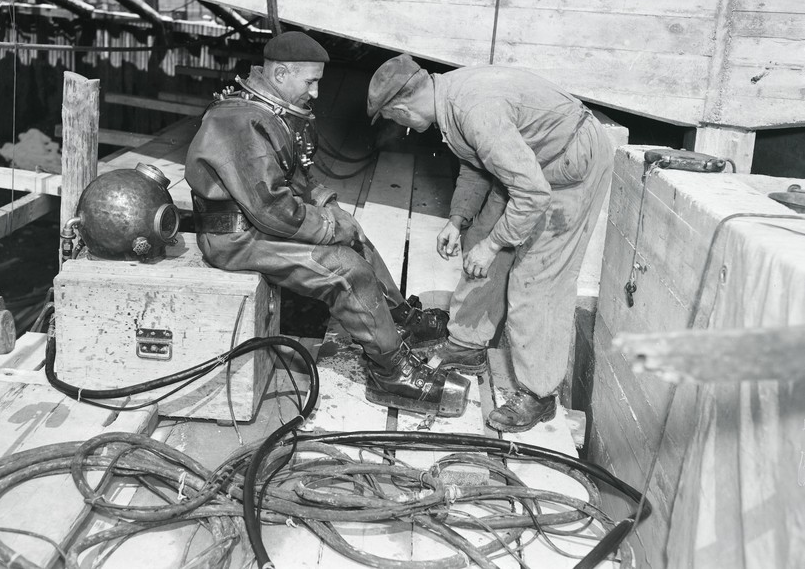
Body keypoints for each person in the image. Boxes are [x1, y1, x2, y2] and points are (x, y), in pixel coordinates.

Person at [184, 32, 469, 416]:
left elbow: (296, 177)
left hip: (258, 225)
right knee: (345, 271)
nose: (317, 93)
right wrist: (330, 229)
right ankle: (391, 373)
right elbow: (271, 208)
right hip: (236, 237)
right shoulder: (240, 122)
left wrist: (329, 207)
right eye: (311, 81)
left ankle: (401, 321)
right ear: (282, 73)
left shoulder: (268, 113)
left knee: (359, 241)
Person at [366, 54, 613, 432]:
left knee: (537, 276)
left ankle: (539, 394)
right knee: (480, 237)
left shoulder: (475, 108)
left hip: (569, 166)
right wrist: (458, 219)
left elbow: (532, 194)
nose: (405, 129)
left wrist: (494, 244)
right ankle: (466, 344)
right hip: (531, 166)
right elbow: (477, 160)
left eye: (396, 121)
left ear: (401, 108)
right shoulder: (448, 97)